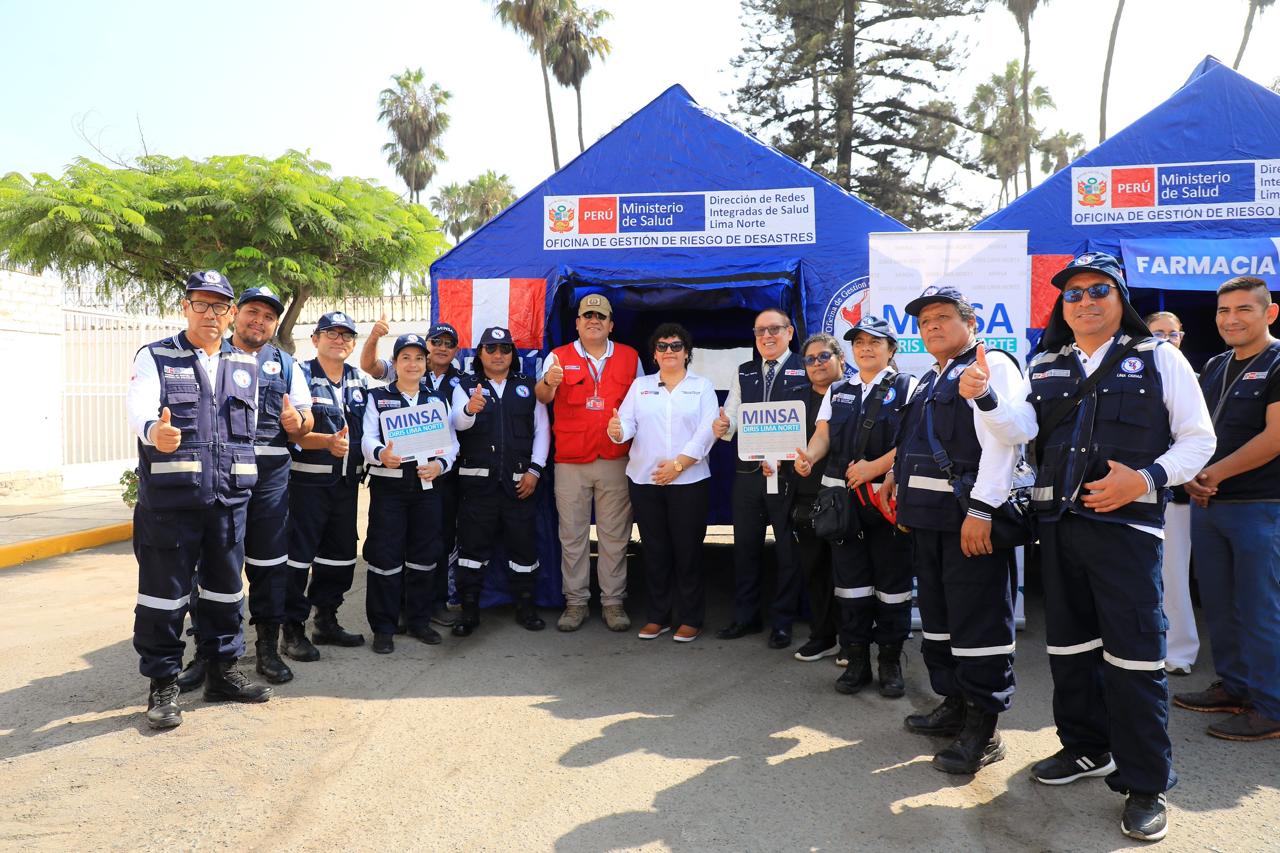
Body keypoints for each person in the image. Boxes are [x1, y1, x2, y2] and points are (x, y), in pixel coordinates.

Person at [972, 253, 1214, 842]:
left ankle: (1146, 784)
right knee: (1071, 651)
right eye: (1073, 293)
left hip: (1127, 533)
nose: (1084, 301)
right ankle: (1085, 749)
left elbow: (1198, 438)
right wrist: (985, 399)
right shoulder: (1047, 361)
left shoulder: (1160, 356)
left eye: (1097, 290)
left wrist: (1149, 477)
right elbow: (1021, 430)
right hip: (1057, 528)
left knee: (1134, 658)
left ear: (1119, 296)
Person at [887, 285, 1028, 776]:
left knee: (979, 626)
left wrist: (984, 509)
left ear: (970, 323)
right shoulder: (930, 376)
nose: (932, 327)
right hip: (929, 522)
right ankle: (955, 705)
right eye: (925, 322)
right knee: (943, 624)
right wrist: (898, 485)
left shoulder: (992, 367)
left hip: (969, 521)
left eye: (943, 317)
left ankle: (983, 730)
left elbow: (1004, 444)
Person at [126, 270, 273, 729]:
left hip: (229, 501)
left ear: (231, 314)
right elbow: (140, 408)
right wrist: (156, 432)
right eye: (201, 304)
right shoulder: (156, 356)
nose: (211, 314)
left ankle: (222, 672)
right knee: (163, 598)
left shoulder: (246, 364)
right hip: (171, 503)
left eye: (219, 306)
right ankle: (163, 684)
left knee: (226, 591)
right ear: (185, 307)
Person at [1176, 275, 1280, 743]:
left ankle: (1272, 706)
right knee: (1219, 604)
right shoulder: (1216, 364)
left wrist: (1213, 475)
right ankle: (1237, 687)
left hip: (1261, 506)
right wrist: (1194, 477)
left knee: (1261, 609)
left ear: (1269, 313)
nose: (1231, 319)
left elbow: (1275, 438)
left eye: (1244, 310)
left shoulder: (1277, 361)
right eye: (1223, 311)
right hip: (1210, 504)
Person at [794, 318, 916, 697]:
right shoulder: (839, 389)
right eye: (859, 342)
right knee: (850, 586)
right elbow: (823, 435)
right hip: (843, 505)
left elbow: (913, 439)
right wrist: (809, 459)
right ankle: (857, 660)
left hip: (887, 501)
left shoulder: (907, 386)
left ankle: (890, 663)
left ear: (891, 349)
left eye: (874, 342)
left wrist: (875, 468)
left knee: (892, 588)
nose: (866, 348)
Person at [537, 294, 642, 633]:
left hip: (615, 459)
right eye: (587, 315)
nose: (594, 320)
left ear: (611, 324)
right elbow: (542, 397)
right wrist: (548, 383)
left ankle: (613, 603)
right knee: (573, 536)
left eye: (601, 316)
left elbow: (641, 406)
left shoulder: (630, 357)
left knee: (615, 537)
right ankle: (576, 603)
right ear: (578, 323)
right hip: (571, 462)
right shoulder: (558, 356)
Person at [608, 323, 718, 642]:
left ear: (687, 352)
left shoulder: (702, 386)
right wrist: (616, 431)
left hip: (690, 481)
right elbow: (626, 424)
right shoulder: (640, 386)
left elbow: (708, 430)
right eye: (662, 346)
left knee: (687, 551)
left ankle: (691, 618)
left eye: (676, 345)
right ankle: (658, 616)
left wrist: (679, 465)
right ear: (654, 355)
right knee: (655, 550)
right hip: (645, 481)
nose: (669, 351)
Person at [712, 307, 810, 649]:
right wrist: (724, 427)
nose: (766, 337)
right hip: (749, 474)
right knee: (746, 550)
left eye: (773, 329)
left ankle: (782, 622)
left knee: (787, 552)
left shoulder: (806, 367)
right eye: (759, 332)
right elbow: (734, 414)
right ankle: (746, 616)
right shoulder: (746, 371)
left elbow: (815, 422)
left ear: (789, 332)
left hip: (789, 476)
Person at [363, 318, 465, 630]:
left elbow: (451, 445)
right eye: (405, 358)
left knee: (424, 556)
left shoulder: (436, 400)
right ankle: (384, 626)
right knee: (385, 558)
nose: (413, 364)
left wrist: (441, 466)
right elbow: (367, 438)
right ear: (395, 363)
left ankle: (420, 621)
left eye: (418, 358)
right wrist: (382, 454)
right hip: (389, 490)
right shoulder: (378, 397)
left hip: (427, 489)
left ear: (425, 362)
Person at [450, 326, 551, 636]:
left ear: (513, 354)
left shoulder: (528, 385)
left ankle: (526, 608)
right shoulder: (465, 386)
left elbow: (542, 431)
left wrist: (535, 471)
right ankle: (469, 613)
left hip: (520, 486)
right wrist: (470, 409)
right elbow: (456, 423)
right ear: (479, 354)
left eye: (504, 348)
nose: (498, 354)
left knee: (523, 549)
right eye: (490, 348)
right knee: (471, 552)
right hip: (477, 489)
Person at [285, 312, 369, 652]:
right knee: (298, 558)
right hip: (306, 486)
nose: (339, 339)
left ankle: (326, 620)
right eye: (330, 333)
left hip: (346, 486)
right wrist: (326, 441)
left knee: (340, 555)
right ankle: (292, 629)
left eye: (346, 335)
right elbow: (290, 431)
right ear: (315, 339)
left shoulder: (358, 380)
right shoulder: (300, 376)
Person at [784, 334, 846, 664]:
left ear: (840, 360)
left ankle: (852, 641)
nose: (817, 364)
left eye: (824, 356)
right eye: (810, 359)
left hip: (846, 499)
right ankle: (823, 637)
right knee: (815, 571)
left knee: (849, 575)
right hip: (806, 499)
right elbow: (778, 448)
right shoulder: (792, 400)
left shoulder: (854, 394)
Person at [1144, 311, 1198, 676]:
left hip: (1178, 495)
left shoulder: (1193, 377)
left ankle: (1179, 652)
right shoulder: (1138, 373)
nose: (1166, 338)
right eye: (1157, 333)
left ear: (1182, 336)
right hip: (1134, 492)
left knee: (1174, 573)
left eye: (1172, 333)